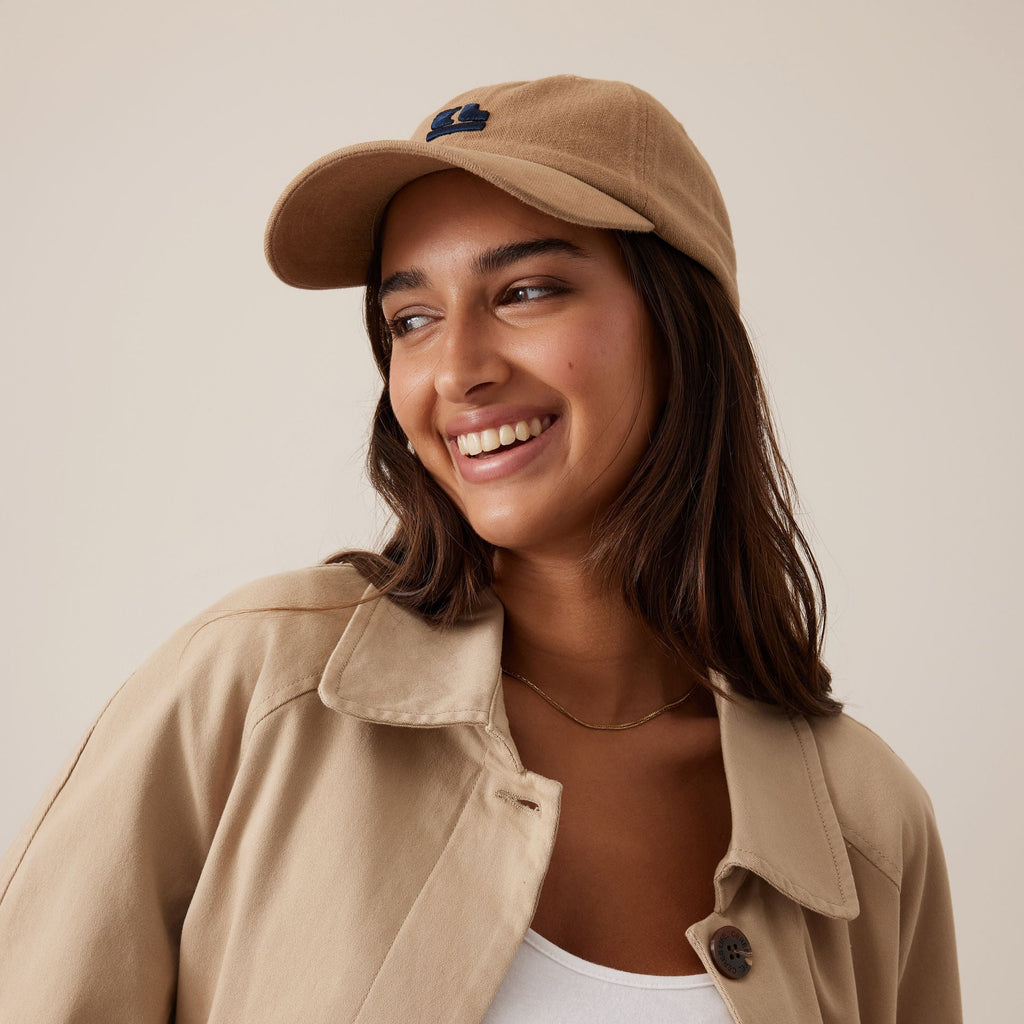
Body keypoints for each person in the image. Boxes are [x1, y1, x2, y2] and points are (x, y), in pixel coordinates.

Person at [0, 75, 961, 1022]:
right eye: (411, 318)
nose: (455, 370)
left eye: (527, 291)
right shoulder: (257, 690)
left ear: (682, 326)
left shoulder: (864, 824)